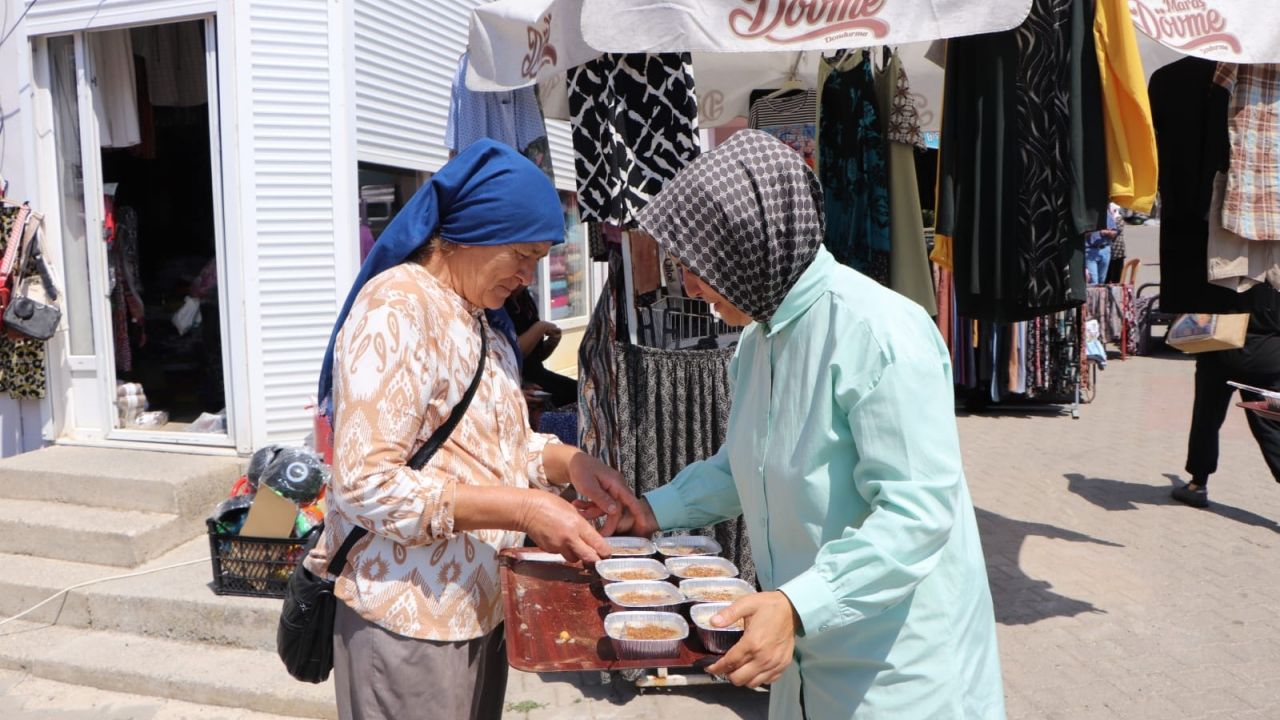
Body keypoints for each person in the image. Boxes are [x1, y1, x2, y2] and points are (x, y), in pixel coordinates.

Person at [586, 130, 1006, 719]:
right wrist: (652, 511)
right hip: (805, 662)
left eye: (701, 265)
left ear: (752, 246)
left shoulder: (879, 333)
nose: (692, 287)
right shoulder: (759, 342)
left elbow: (917, 514)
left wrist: (797, 604)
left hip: (898, 677)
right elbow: (745, 467)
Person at [308, 140, 643, 720]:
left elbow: (498, 444)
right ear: (474, 233)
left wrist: (571, 464)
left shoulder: (482, 319)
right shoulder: (397, 309)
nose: (528, 275)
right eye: (522, 255)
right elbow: (364, 484)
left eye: (539, 258)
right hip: (410, 616)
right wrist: (525, 510)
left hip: (478, 605)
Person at [1172, 284, 1280, 508]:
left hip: (1220, 351)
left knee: (1206, 420)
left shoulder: (1221, 275)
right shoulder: (1274, 276)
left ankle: (1197, 484)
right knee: (1272, 429)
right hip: (1267, 358)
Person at [503, 285, 577, 409]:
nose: (525, 280)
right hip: (515, 381)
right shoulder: (499, 305)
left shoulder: (525, 299)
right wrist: (540, 327)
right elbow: (511, 354)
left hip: (538, 375)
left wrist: (552, 342)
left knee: (581, 393)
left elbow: (537, 357)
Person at [1086, 202, 1122, 285]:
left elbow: (1114, 232)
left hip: (1105, 250)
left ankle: (1099, 293)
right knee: (1094, 281)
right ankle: (1094, 293)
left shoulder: (1106, 214)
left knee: (1102, 280)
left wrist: (1106, 232)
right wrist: (1093, 231)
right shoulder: (1087, 216)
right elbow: (1081, 233)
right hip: (1090, 251)